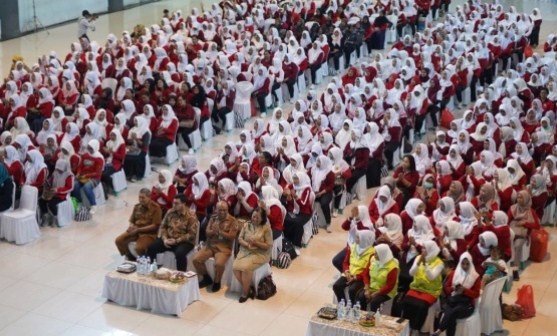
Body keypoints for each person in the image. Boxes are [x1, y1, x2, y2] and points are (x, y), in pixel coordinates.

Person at [193, 201, 239, 292]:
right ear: (216, 210)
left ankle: (217, 282)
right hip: (210, 245)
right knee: (196, 259)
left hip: (223, 248)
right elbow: (207, 232)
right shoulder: (213, 218)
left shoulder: (233, 221)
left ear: (227, 210)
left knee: (219, 264)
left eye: (224, 210)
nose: (222, 212)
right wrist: (213, 232)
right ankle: (206, 278)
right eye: (220, 210)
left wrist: (220, 232)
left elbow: (232, 237)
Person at [432, 252, 481, 336]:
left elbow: (476, 294)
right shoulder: (454, 273)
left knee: (452, 312)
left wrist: (464, 290)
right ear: (460, 263)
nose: (465, 266)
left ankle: (439, 330)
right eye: (463, 263)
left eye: (467, 264)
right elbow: (446, 289)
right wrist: (453, 288)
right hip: (454, 301)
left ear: (470, 263)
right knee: (451, 314)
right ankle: (440, 331)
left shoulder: (475, 276)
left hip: (467, 304)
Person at [146, 194, 199, 271]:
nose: (174, 205)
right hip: (168, 239)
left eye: (176, 203)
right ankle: (152, 270)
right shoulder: (170, 212)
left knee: (180, 254)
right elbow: (163, 227)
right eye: (173, 203)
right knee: (151, 247)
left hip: (184, 242)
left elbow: (191, 234)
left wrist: (177, 241)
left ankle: (181, 275)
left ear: (183, 204)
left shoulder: (191, 215)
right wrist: (164, 239)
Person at [402, 240, 444, 332]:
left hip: (430, 290)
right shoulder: (418, 258)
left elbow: (431, 277)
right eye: (423, 247)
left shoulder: (439, 263)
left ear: (430, 250)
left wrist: (425, 264)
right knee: (406, 301)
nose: (422, 249)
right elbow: (411, 273)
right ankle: (406, 326)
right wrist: (418, 263)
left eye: (424, 248)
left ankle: (416, 328)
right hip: (417, 287)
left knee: (421, 306)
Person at [233, 207, 273, 303]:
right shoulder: (246, 225)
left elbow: (268, 245)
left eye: (257, 218)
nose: (254, 219)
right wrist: (246, 244)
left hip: (260, 253)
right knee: (235, 267)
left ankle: (245, 293)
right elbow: (240, 239)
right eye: (253, 217)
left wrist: (256, 243)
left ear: (262, 219)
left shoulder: (266, 229)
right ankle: (248, 288)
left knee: (246, 268)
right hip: (245, 251)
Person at [115, 188, 162, 261]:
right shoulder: (137, 207)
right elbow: (132, 220)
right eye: (139, 197)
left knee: (139, 248)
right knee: (119, 240)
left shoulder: (156, 208)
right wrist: (131, 226)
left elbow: (155, 225)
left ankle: (144, 261)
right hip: (135, 231)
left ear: (149, 197)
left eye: (143, 197)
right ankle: (130, 256)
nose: (140, 200)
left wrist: (138, 230)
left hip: (148, 234)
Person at [333, 230, 376, 303]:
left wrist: (356, 277)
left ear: (364, 239)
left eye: (358, 237)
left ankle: (353, 308)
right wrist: (347, 272)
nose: (355, 239)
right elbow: (345, 262)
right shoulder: (353, 247)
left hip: (360, 277)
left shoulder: (373, 252)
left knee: (352, 290)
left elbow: (367, 271)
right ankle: (343, 305)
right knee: (336, 286)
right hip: (349, 274)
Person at [358, 243, 399, 313]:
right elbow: (365, 274)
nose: (374, 255)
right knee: (361, 296)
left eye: (377, 254)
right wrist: (367, 289)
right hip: (372, 287)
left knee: (375, 302)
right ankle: (363, 315)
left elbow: (390, 286)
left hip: (386, 291)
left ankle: (373, 319)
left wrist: (376, 293)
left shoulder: (392, 266)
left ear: (382, 254)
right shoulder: (373, 259)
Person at [71, 139, 104, 214]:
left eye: (91, 148)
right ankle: (79, 202)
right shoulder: (85, 155)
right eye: (88, 148)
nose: (89, 150)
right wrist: (78, 173)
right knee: (75, 185)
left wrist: (86, 175)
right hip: (83, 176)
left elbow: (97, 172)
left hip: (95, 178)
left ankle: (93, 205)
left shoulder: (99, 158)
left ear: (95, 147)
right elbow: (80, 166)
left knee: (87, 187)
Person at [38, 159, 74, 226]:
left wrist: (58, 190)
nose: (58, 170)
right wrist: (48, 183)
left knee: (51, 203)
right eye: (57, 168)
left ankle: (56, 217)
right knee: (41, 201)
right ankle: (46, 216)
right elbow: (51, 180)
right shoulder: (55, 172)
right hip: (53, 192)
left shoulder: (69, 175)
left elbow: (70, 187)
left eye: (60, 169)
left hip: (63, 195)